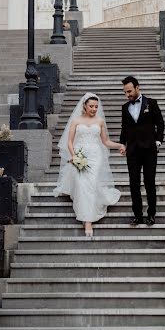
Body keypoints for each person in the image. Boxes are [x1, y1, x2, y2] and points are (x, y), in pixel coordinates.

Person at [53, 92, 123, 237]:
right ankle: (87, 219)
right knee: (81, 184)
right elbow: (70, 142)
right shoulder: (76, 121)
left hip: (95, 156)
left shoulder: (100, 121)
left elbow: (105, 142)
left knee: (90, 184)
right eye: (91, 106)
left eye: (96, 106)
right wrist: (74, 156)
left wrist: (120, 145)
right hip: (80, 154)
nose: (94, 109)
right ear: (84, 106)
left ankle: (88, 221)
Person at [119, 75, 165, 226]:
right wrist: (122, 144)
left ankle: (151, 214)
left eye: (130, 91)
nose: (128, 94)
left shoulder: (151, 103)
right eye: (125, 92)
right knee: (134, 183)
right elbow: (124, 129)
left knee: (149, 182)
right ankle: (137, 215)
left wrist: (158, 141)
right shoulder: (125, 108)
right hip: (132, 150)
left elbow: (160, 123)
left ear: (138, 87)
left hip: (149, 149)